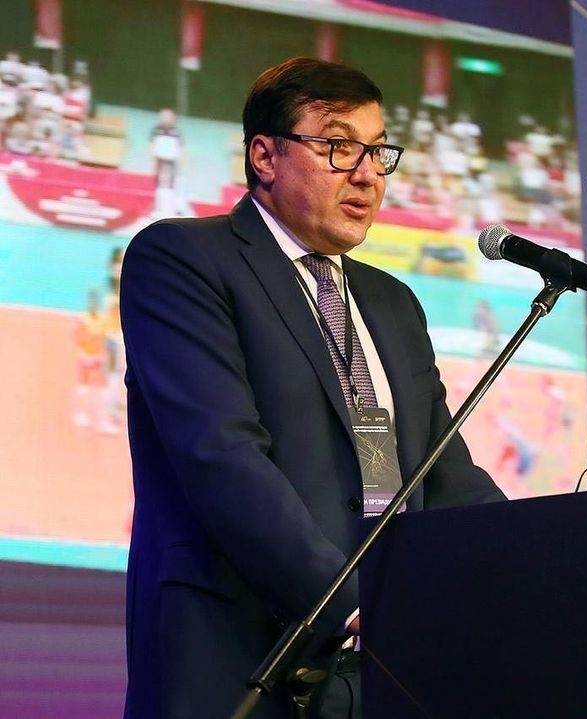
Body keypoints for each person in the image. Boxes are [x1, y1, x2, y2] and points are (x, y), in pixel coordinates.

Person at [120, 57, 506, 718]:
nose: (368, 173)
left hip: (382, 672)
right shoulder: (184, 259)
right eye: (339, 146)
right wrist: (353, 602)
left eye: (379, 151)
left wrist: (532, 564)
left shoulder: (391, 303)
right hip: (243, 657)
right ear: (264, 156)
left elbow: (443, 476)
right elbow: (221, 455)